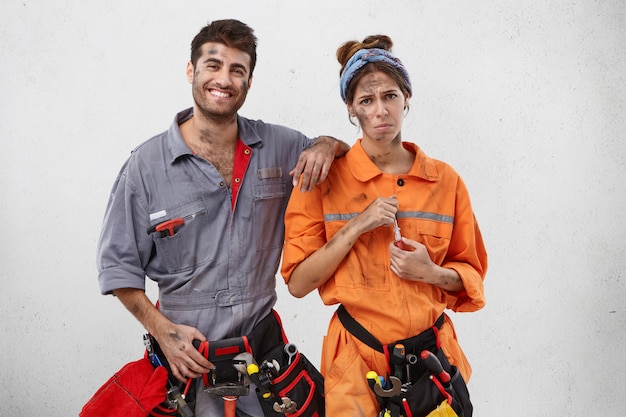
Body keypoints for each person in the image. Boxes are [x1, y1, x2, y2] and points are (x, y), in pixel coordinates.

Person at [96, 19, 348, 417]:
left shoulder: (279, 147)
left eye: (237, 70)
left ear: (248, 82)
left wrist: (327, 144)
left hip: (263, 361)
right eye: (213, 65)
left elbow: (347, 158)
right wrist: (163, 331)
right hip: (187, 362)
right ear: (191, 70)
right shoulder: (146, 166)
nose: (224, 79)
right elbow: (116, 268)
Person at [281, 35, 487, 416]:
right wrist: (356, 226)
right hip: (356, 364)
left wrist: (432, 273)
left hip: (433, 364)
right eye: (366, 100)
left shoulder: (445, 181)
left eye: (390, 96)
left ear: (406, 98)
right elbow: (297, 283)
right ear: (351, 109)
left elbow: (471, 276)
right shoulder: (323, 180)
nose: (380, 111)